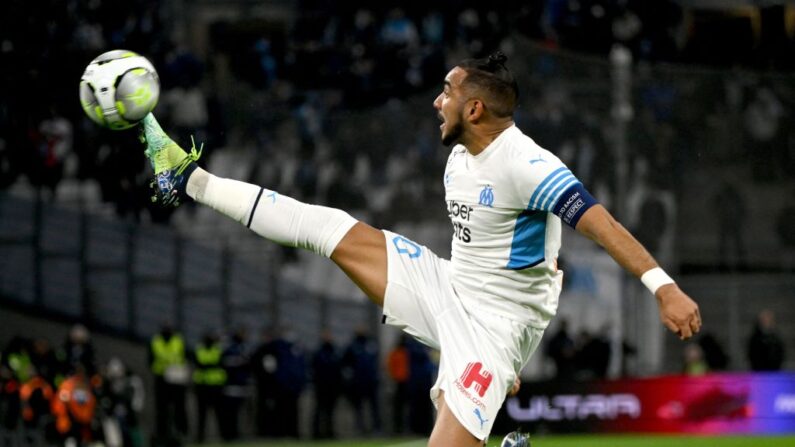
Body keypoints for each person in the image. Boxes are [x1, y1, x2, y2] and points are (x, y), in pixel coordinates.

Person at [138, 51, 701, 446]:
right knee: (329, 228)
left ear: (475, 109)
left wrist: (664, 287)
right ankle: (188, 179)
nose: (437, 101)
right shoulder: (459, 156)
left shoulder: (525, 163)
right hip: (449, 288)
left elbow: (598, 221)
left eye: (448, 92)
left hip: (494, 329)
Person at [148, 324, 189, 446]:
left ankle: (181, 433)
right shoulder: (156, 341)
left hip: (176, 379)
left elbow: (184, 358)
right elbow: (150, 361)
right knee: (162, 409)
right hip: (161, 379)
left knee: (179, 408)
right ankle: (163, 435)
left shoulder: (178, 341)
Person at [191, 331, 225, 443]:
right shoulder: (199, 350)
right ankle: (200, 437)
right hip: (202, 387)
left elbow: (220, 364)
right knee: (202, 414)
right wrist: (210, 365)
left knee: (219, 413)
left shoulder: (217, 349)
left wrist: (207, 366)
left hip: (216, 386)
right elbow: (199, 365)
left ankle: (222, 436)